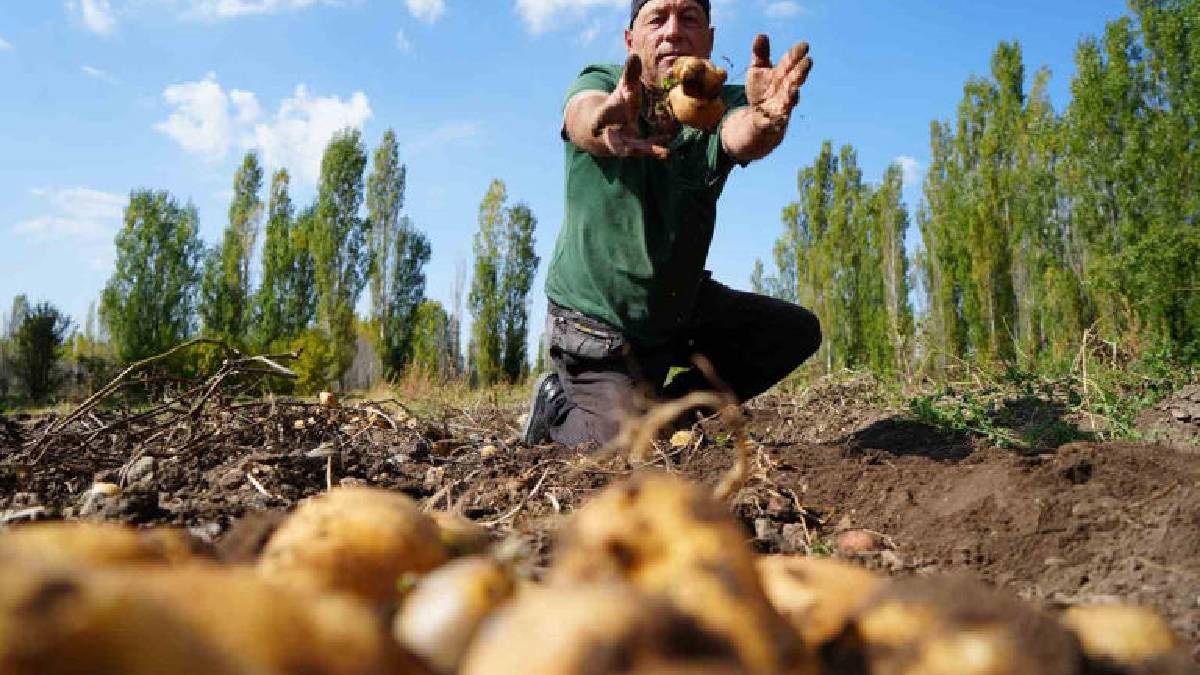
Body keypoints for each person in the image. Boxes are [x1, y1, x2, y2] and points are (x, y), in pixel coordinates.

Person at [521, 0, 822, 447]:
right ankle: (557, 405)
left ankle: (664, 416)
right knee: (619, 450)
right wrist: (605, 122)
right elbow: (583, 114)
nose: (673, 32)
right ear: (630, 40)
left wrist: (764, 122)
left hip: (675, 307)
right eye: (657, 18)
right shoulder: (604, 83)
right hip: (597, 324)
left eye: (690, 19)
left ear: (710, 40)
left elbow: (741, 132)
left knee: (792, 332)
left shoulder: (718, 103)